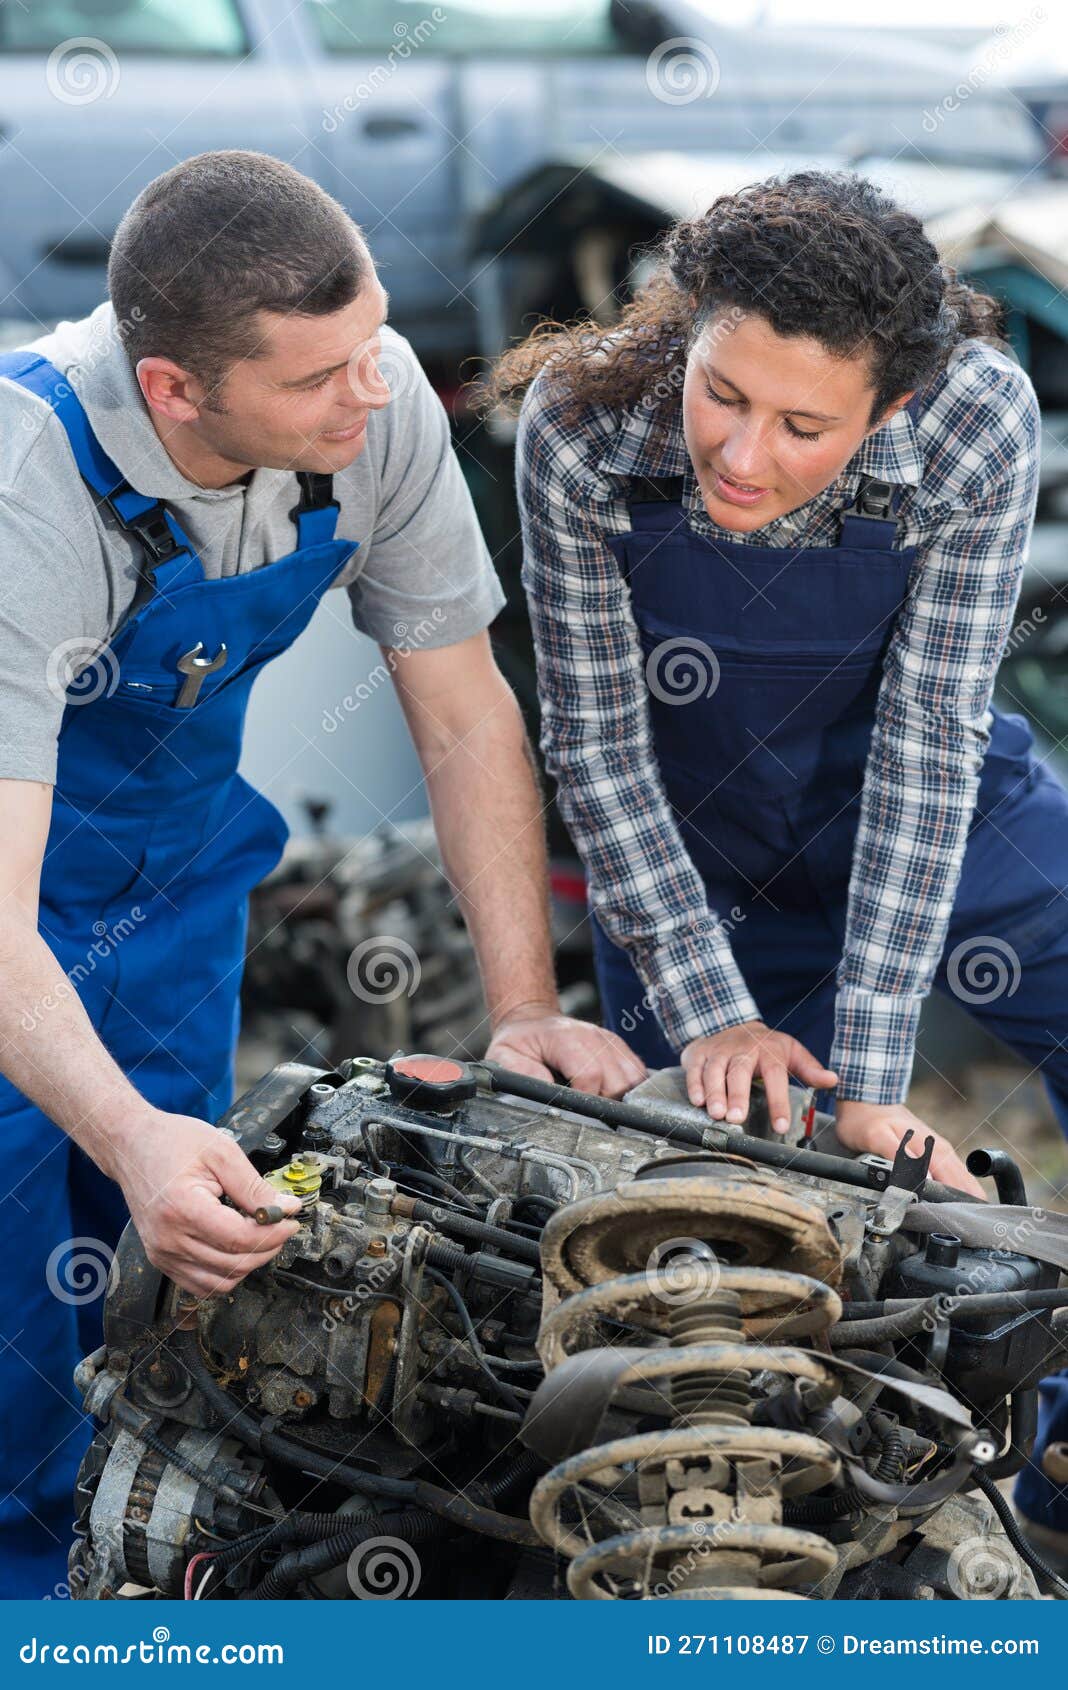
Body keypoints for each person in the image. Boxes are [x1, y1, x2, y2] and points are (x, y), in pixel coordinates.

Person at [0, 149, 644, 1597]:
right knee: (8, 1330)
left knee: (166, 1295)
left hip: (174, 904)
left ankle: (151, 1591)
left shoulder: (375, 391)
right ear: (174, 390)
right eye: (316, 380)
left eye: (374, 346)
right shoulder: (22, 488)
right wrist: (125, 1130)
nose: (375, 393)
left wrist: (523, 1007)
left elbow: (465, 713)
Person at [501, 169, 1068, 1562]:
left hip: (944, 810)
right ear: (686, 330)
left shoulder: (977, 416)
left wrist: (871, 1075)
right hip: (695, 857)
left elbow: (930, 739)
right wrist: (712, 1014)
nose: (743, 455)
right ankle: (805, 1552)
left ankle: (1057, 1464)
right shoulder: (580, 424)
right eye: (722, 394)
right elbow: (594, 746)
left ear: (890, 404)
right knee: (729, 1229)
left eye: (804, 426)